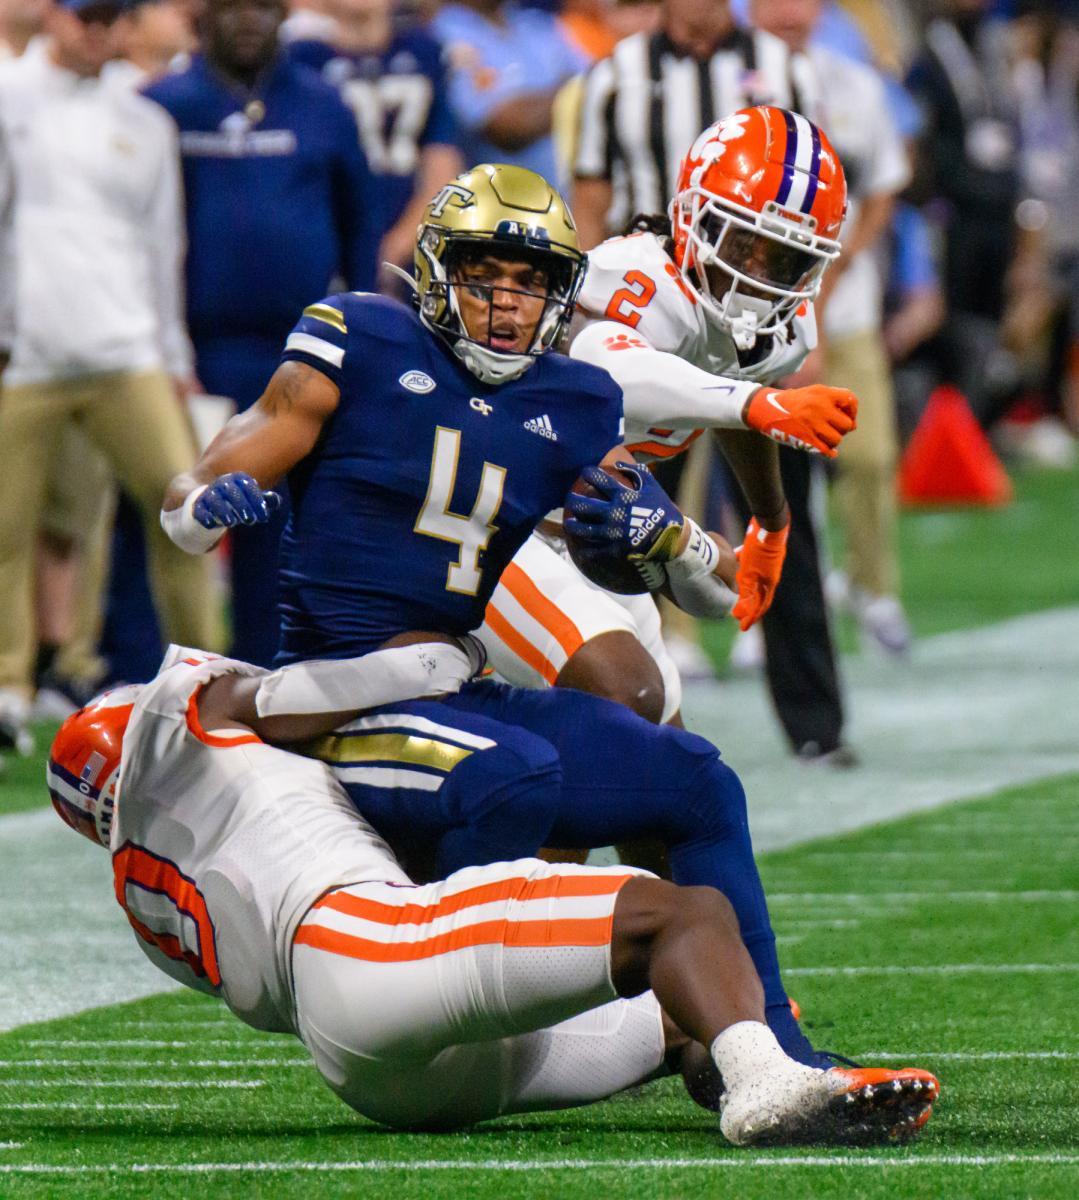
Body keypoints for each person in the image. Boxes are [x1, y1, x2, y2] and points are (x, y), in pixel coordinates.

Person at [160, 162, 857, 1066]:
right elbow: (203, 478)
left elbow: (698, 581)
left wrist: (671, 542)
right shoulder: (358, 337)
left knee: (694, 777)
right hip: (348, 694)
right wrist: (198, 507)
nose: (506, 304)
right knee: (518, 775)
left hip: (457, 680)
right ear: (439, 270)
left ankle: (762, 1045)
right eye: (486, 275)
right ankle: (467, 1004)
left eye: (531, 285)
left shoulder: (564, 404)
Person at [46, 645, 941, 1141]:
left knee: (695, 1004)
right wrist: (432, 662)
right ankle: (767, 1087)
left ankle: (731, 1058)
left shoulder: (145, 900)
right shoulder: (174, 731)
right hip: (370, 945)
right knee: (687, 915)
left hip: (373, 1074)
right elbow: (276, 694)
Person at [0, 0, 221, 752]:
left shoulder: (146, 123)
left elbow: (163, 250)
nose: (97, 31)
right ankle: (9, 687)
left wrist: (175, 357)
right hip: (23, 352)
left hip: (127, 350)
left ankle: (213, 679)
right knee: (6, 525)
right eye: (84, 16)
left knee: (189, 509)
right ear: (55, 19)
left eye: (111, 17)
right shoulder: (7, 99)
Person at [142, 0, 381, 667]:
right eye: (232, 6)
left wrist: (361, 326)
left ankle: (264, 666)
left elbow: (360, 224)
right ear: (202, 16)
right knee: (171, 502)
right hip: (188, 351)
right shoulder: (161, 104)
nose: (249, 19)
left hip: (297, 355)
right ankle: (141, 666)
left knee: (278, 520)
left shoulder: (325, 106)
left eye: (263, 6)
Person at [749, 0, 913, 657]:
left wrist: (832, 275)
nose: (789, 12)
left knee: (869, 457)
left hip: (841, 309)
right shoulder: (730, 86)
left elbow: (881, 189)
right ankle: (757, 605)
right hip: (747, 312)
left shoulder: (852, 84)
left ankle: (875, 591)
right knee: (751, 470)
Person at [286, 0, 463, 289]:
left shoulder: (425, 51)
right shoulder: (301, 58)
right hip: (329, 246)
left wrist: (396, 248)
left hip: (413, 239)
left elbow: (442, 165)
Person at [431, 0, 588, 188]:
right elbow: (508, 125)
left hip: (579, 199)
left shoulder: (538, 23)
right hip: (510, 207)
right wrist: (574, 91)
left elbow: (602, 85)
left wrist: (538, 102)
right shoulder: (440, 35)